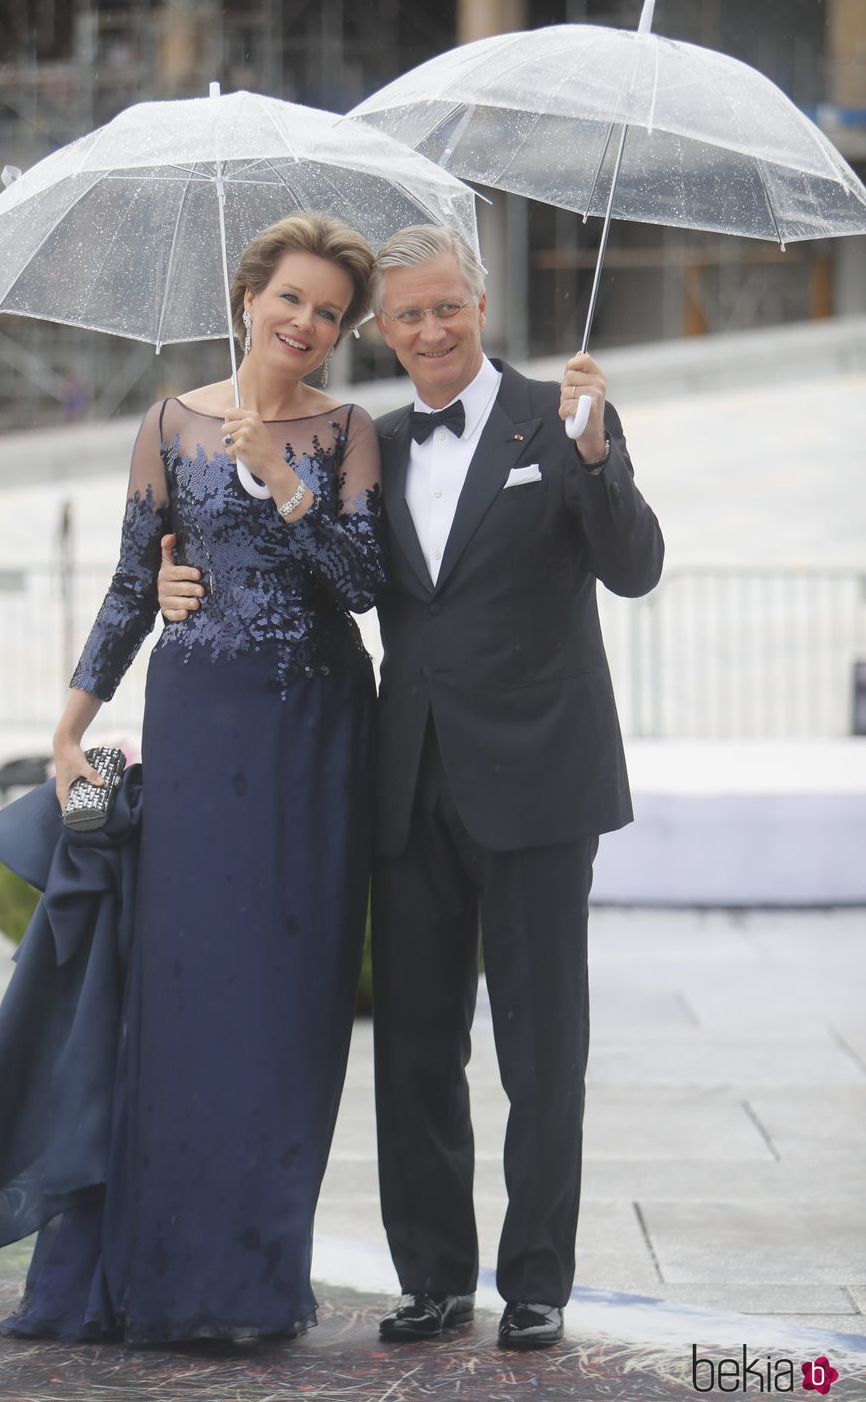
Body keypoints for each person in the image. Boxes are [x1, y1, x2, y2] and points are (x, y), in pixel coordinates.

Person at [157, 224, 664, 1352]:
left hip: (539, 778)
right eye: (404, 316)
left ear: (479, 306)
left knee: (543, 1049)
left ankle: (536, 1280)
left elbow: (632, 567)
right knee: (415, 1050)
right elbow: (331, 570)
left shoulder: (561, 415)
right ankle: (434, 1277)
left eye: (446, 308)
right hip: (407, 777)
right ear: (377, 331)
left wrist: (593, 457)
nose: (428, 330)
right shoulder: (370, 440)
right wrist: (178, 564)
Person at [0, 212, 384, 1345]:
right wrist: (72, 724)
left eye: (328, 313)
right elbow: (135, 586)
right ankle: (162, 1272)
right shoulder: (166, 425)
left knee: (287, 1013)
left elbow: (365, 583)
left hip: (314, 737)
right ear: (247, 299)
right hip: (198, 731)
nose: (308, 326)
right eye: (293, 302)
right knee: (184, 1006)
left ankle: (252, 1282)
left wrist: (283, 480)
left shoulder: (347, 431)